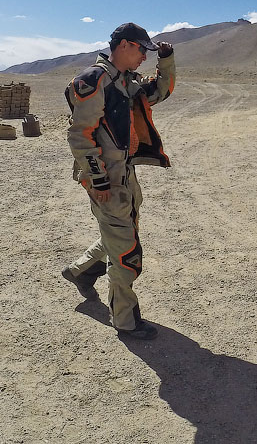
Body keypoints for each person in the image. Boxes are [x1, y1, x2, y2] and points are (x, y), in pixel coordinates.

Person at [61, 23, 175, 341]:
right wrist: (98, 182)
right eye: (142, 50)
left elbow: (160, 91)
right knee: (127, 250)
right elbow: (79, 135)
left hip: (125, 174)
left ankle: (81, 271)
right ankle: (125, 320)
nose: (144, 57)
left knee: (124, 234)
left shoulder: (126, 81)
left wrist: (166, 59)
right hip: (106, 180)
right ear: (124, 45)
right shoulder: (93, 80)